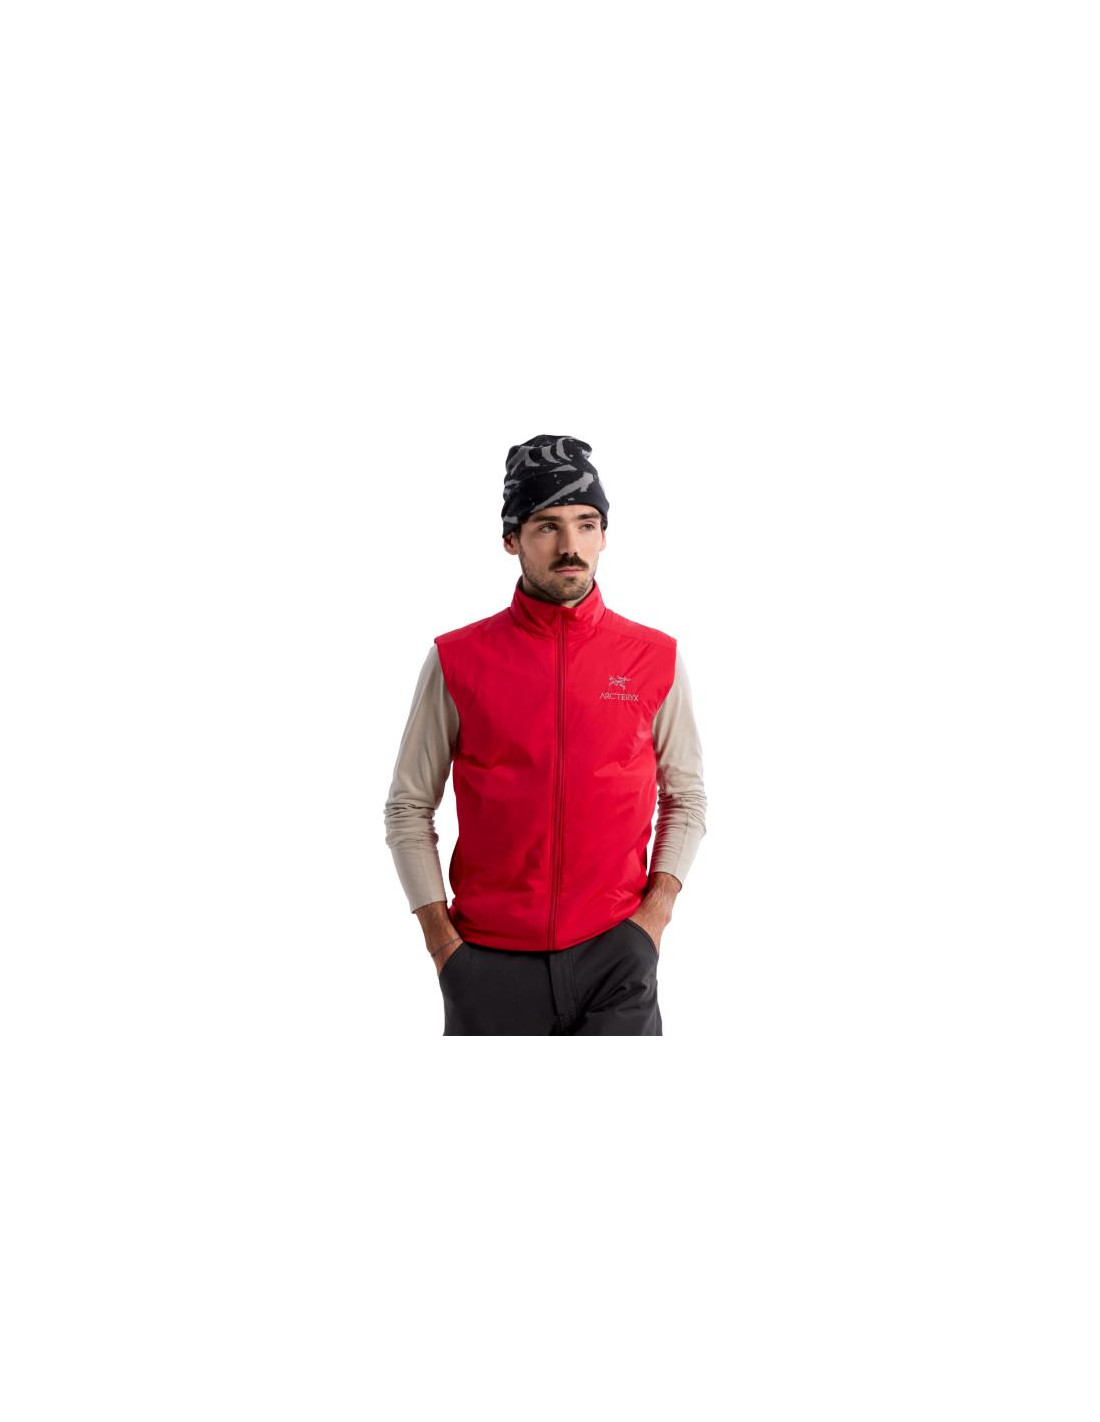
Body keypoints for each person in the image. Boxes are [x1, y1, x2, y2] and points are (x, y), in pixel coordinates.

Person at [383, 434, 707, 1035]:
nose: (570, 547)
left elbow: (685, 796)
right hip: (488, 964)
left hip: (617, 954)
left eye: (586, 524)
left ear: (604, 534)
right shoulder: (458, 659)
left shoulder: (653, 657)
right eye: (547, 526)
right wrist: (442, 944)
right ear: (512, 539)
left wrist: (654, 919)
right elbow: (408, 806)